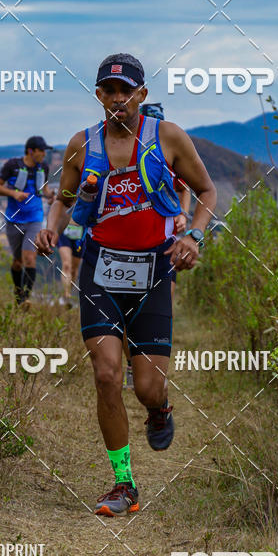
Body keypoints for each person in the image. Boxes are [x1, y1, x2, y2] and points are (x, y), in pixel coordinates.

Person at [36, 53, 216, 516]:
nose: (118, 99)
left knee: (147, 387)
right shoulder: (83, 144)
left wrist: (193, 236)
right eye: (109, 91)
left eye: (126, 91)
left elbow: (207, 192)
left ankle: (160, 408)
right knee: (105, 374)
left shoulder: (168, 137)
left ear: (142, 95)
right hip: (100, 269)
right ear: (99, 95)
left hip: (154, 270)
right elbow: (67, 198)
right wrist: (51, 225)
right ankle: (124, 483)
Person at [121, 103, 191, 389]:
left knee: (163, 305)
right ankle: (131, 363)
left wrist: (183, 215)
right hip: (131, 249)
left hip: (166, 245)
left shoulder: (170, 155)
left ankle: (153, 366)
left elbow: (185, 187)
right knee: (128, 312)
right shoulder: (124, 155)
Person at [0, 135, 55, 304]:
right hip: (14, 219)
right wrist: (14, 193)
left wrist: (51, 197)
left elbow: (45, 189)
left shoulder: (44, 168)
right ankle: (18, 293)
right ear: (31, 151)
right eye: (41, 151)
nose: (44, 154)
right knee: (18, 261)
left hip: (35, 218)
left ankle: (25, 299)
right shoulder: (12, 166)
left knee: (29, 258)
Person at [57, 219, 85, 306]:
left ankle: (68, 292)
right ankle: (66, 294)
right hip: (65, 229)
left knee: (73, 269)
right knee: (66, 265)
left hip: (81, 231)